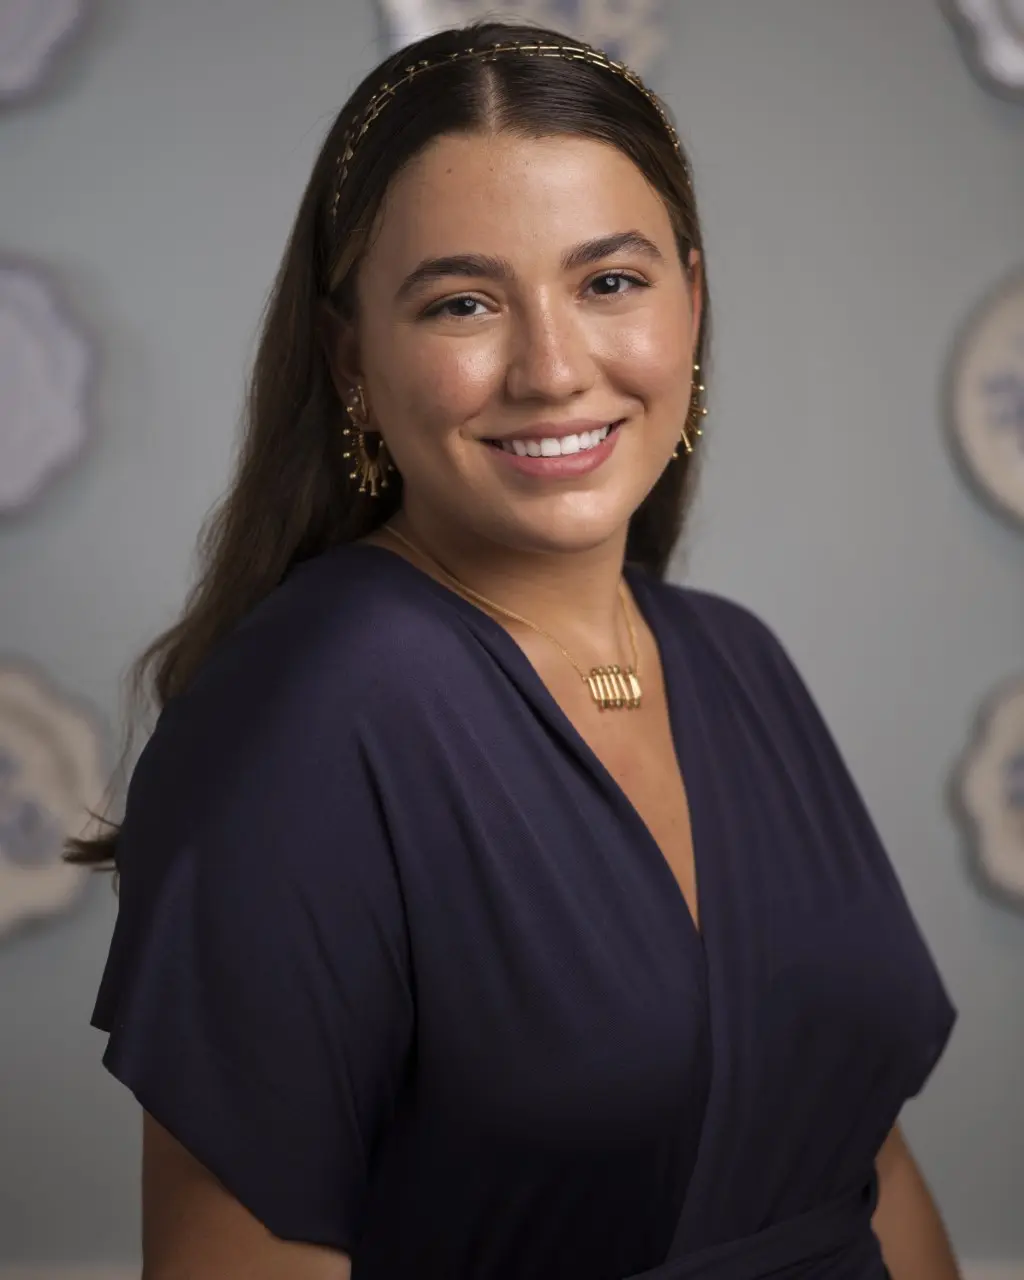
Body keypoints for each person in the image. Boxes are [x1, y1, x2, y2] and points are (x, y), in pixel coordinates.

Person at [72, 19, 961, 1280]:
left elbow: (866, 1164)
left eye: (610, 281)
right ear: (352, 363)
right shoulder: (304, 719)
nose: (551, 367)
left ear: (691, 304)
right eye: (462, 302)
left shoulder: (736, 662)